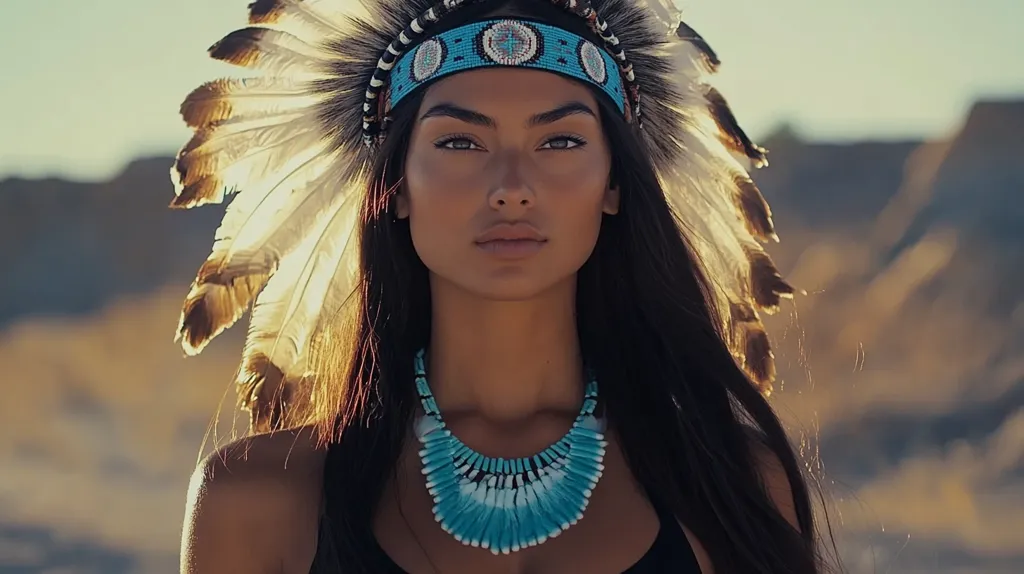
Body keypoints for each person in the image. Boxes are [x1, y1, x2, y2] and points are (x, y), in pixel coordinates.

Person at [173, 0, 833, 571]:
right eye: (460, 143)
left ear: (614, 184)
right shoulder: (258, 500)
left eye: (561, 143)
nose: (512, 188)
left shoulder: (731, 486)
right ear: (396, 187)